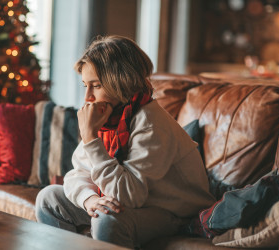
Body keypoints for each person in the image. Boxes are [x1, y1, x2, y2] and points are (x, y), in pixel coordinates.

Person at [35, 35, 215, 249]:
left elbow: (129, 196)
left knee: (108, 219)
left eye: (96, 85)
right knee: (48, 198)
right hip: (133, 203)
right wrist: (89, 200)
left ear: (121, 82)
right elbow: (77, 174)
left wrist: (91, 138)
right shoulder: (108, 117)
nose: (87, 97)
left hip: (173, 212)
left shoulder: (150, 123)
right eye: (85, 86)